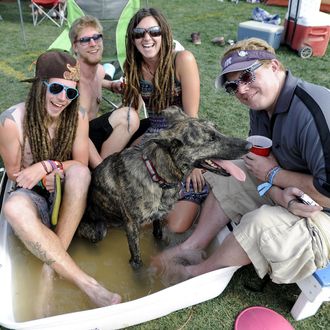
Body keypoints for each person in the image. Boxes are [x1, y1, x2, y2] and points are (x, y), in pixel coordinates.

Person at [151, 37, 330, 286]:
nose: (241, 90)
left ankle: (198, 273)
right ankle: (191, 246)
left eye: (246, 77)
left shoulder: (315, 112)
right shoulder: (261, 107)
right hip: (295, 192)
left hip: (324, 211)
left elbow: (325, 193)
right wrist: (278, 193)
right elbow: (263, 163)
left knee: (259, 224)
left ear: (275, 67)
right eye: (232, 87)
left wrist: (274, 176)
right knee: (235, 173)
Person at [0, 50, 121, 307]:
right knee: (11, 207)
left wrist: (49, 167)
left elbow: (79, 162)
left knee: (80, 173)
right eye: (56, 88)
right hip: (31, 191)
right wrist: (37, 176)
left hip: (66, 188)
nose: (62, 98)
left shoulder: (77, 117)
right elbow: (13, 173)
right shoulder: (11, 121)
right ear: (38, 86)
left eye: (71, 92)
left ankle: (49, 269)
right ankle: (86, 283)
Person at [114, 7, 207, 234]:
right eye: (139, 33)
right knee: (128, 203)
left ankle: (204, 197)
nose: (147, 38)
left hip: (183, 137)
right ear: (133, 39)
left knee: (175, 226)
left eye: (154, 32)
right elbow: (134, 114)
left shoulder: (182, 60)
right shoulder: (133, 66)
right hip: (153, 136)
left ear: (164, 34)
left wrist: (194, 164)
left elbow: (191, 118)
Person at [68, 15, 140, 168]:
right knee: (129, 117)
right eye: (85, 40)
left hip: (91, 134)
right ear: (75, 46)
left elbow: (98, 80)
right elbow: (74, 132)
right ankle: (103, 172)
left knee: (144, 125)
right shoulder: (72, 81)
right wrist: (100, 168)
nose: (93, 43)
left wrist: (113, 85)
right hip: (74, 142)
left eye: (97, 37)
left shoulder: (99, 71)